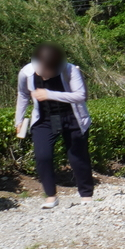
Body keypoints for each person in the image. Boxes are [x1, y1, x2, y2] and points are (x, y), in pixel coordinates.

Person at [14, 43, 94, 210]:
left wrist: (49, 94)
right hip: (44, 118)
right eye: (42, 70)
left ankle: (86, 195)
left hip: (72, 117)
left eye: (49, 71)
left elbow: (81, 95)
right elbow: (22, 94)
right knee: (43, 156)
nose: (45, 74)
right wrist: (19, 120)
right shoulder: (26, 73)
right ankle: (51, 195)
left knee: (77, 157)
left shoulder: (70, 70)